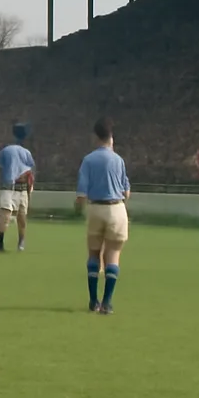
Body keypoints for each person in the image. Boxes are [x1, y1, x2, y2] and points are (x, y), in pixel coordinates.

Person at [75, 117, 131, 315]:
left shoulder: (89, 160)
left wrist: (77, 209)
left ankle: (93, 301)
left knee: (93, 254)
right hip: (116, 208)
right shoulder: (119, 160)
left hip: (96, 208)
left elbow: (81, 194)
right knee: (113, 255)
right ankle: (107, 303)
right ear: (111, 137)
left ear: (95, 136)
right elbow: (127, 193)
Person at [0, 124, 36, 252]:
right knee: (18, 218)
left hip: (14, 188)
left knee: (8, 216)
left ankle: (5, 243)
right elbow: (31, 171)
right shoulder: (22, 152)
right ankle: (16, 242)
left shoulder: (6, 150)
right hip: (15, 188)